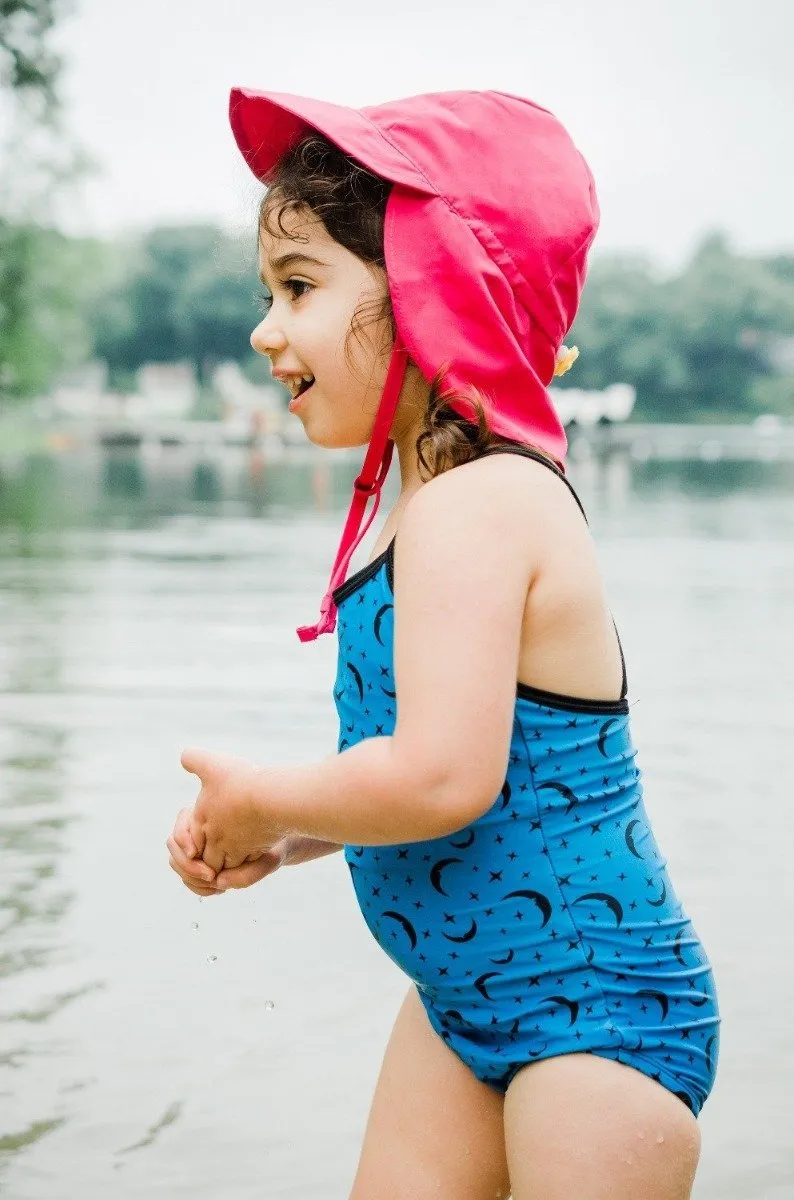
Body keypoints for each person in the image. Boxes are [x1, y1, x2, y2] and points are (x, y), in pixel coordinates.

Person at [167, 88, 720, 1199]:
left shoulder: (479, 506)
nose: (263, 329)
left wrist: (265, 798)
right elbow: (441, 768)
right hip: (461, 1004)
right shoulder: (417, 508)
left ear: (429, 288)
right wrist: (289, 841)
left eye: (298, 286)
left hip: (593, 1017)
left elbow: (439, 779)